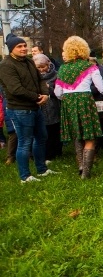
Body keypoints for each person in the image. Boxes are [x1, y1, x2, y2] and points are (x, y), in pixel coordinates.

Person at [55, 36, 103, 179]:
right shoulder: (89, 67)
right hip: (85, 102)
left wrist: (66, 99)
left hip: (68, 103)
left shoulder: (63, 68)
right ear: (84, 50)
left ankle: (81, 165)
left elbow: (57, 92)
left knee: (77, 134)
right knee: (89, 136)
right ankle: (86, 173)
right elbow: (101, 87)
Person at [0, 33, 54, 182]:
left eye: (24, 46)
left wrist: (45, 94)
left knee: (42, 137)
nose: (23, 48)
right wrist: (38, 97)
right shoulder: (6, 66)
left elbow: (40, 79)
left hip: (36, 107)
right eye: (19, 46)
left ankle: (41, 169)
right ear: (11, 49)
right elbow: (15, 89)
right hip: (20, 109)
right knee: (25, 142)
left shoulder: (29, 61)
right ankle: (25, 176)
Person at [33, 54, 62, 160]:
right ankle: (44, 154)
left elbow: (60, 92)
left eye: (43, 67)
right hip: (39, 106)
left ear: (48, 65)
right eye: (38, 67)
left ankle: (56, 152)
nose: (41, 70)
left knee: (54, 130)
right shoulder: (32, 76)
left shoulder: (56, 75)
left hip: (54, 106)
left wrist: (49, 89)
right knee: (42, 132)